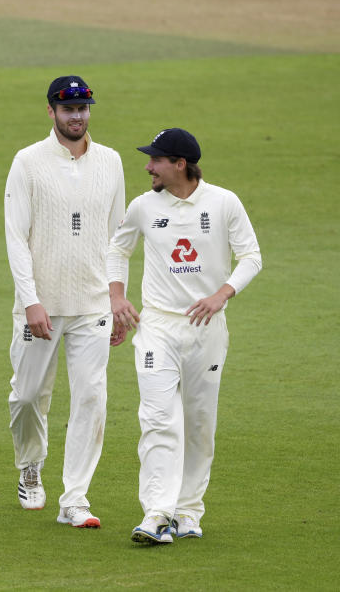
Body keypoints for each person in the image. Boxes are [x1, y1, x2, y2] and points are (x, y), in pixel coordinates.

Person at [108, 128, 262, 544]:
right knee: (158, 419)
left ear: (180, 164)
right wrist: (117, 296)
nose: (148, 166)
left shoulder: (223, 202)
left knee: (198, 422)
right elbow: (117, 250)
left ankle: (188, 511)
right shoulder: (143, 207)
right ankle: (157, 513)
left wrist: (221, 294)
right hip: (157, 327)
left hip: (206, 330)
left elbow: (251, 256)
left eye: (156, 160)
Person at [4, 76, 125, 527]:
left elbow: (119, 238)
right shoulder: (28, 161)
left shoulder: (111, 162)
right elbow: (16, 236)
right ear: (51, 112)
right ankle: (30, 465)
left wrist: (118, 299)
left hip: (93, 304)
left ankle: (75, 499)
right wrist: (31, 300)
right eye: (68, 109)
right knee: (28, 394)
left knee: (91, 397)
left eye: (84, 108)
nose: (78, 117)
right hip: (42, 304)